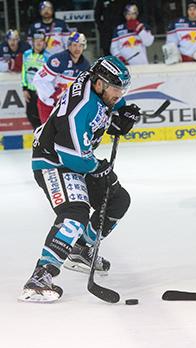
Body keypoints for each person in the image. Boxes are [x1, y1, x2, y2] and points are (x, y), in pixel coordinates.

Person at [18, 55, 141, 302]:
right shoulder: (80, 109)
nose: (119, 93)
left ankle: (81, 249)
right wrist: (98, 168)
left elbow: (109, 105)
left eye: (122, 89)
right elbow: (71, 156)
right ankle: (41, 276)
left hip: (76, 156)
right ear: (100, 84)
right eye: (116, 89)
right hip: (54, 161)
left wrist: (122, 109)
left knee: (117, 200)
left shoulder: (94, 82)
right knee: (75, 213)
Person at [33, 31, 90, 124]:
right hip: (48, 104)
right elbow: (39, 80)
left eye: (80, 45)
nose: (77, 48)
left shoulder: (85, 65)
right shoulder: (58, 60)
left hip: (67, 105)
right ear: (69, 46)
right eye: (75, 45)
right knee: (46, 135)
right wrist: (53, 98)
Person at [163, 0, 196, 64]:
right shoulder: (178, 23)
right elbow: (171, 42)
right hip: (183, 61)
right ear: (187, 11)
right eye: (190, 9)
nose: (192, 12)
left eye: (194, 9)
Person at [21, 32, 50, 130]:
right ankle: (38, 135)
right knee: (30, 115)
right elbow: (24, 71)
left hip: (42, 93)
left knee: (43, 116)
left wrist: (44, 90)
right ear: (32, 42)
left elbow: (50, 77)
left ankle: (45, 137)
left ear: (44, 43)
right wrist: (24, 88)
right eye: (36, 40)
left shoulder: (48, 57)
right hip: (30, 91)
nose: (38, 42)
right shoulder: (26, 54)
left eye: (41, 40)